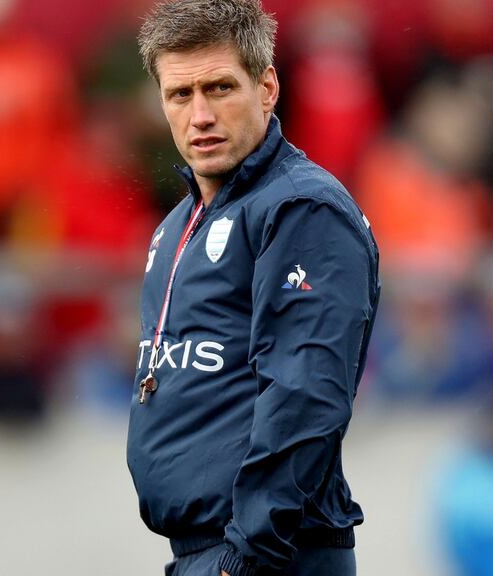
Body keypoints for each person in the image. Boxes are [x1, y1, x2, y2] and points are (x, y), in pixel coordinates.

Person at [125, 2, 381, 575]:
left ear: (267, 87)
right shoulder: (176, 226)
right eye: (180, 95)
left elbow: (306, 397)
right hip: (203, 552)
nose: (200, 116)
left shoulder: (300, 210)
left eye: (219, 88)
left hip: (271, 557)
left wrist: (246, 554)